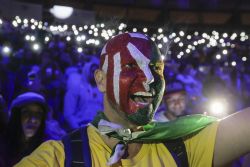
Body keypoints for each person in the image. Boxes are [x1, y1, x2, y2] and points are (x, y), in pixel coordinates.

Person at [15, 32, 250, 167]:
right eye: (129, 66)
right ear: (99, 80)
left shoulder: (182, 145)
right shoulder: (60, 156)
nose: (149, 79)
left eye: (156, 68)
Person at [0, 92, 49, 167]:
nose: (33, 120)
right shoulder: (3, 147)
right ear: (16, 116)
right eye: (26, 112)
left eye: (38, 114)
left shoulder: (47, 148)